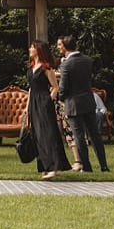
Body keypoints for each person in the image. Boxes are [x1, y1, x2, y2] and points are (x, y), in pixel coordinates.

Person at [56, 35, 109, 173]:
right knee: (95, 134)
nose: (58, 48)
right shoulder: (87, 60)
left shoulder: (66, 64)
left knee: (79, 136)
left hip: (73, 104)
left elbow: (63, 87)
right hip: (88, 101)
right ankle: (103, 165)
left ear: (66, 47)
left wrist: (61, 98)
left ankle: (86, 166)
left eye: (60, 46)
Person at [26, 39, 71, 179]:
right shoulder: (31, 67)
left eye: (32, 47)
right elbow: (30, 89)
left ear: (38, 50)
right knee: (38, 135)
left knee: (48, 133)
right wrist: (27, 106)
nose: (30, 49)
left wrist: (48, 100)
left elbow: (55, 87)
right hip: (34, 102)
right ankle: (44, 166)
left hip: (44, 101)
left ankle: (54, 167)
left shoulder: (46, 68)